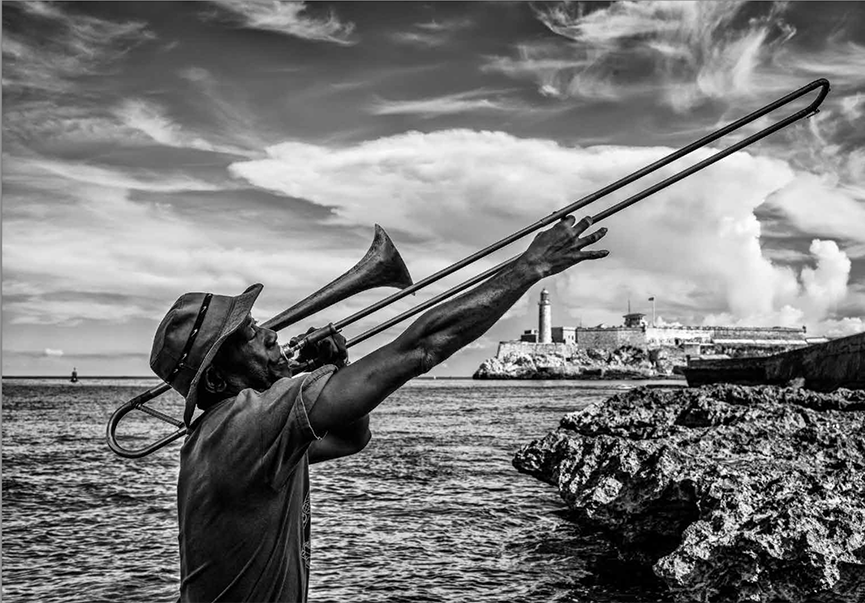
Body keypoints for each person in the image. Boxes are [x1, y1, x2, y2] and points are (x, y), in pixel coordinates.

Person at [148, 215, 608, 603]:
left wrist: (337, 367)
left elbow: (351, 438)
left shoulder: (219, 435)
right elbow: (421, 348)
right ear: (216, 380)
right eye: (249, 334)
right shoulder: (248, 421)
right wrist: (529, 267)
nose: (270, 334)